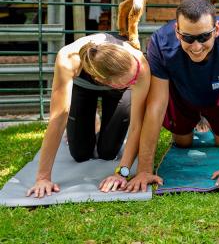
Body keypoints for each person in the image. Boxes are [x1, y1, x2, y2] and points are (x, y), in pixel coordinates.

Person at [125, 0, 219, 192]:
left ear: (216, 30)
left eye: (203, 37)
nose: (196, 46)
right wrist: (144, 170)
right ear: (177, 31)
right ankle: (194, 122)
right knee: (182, 143)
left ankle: (209, 122)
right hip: (182, 93)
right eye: (188, 38)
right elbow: (156, 107)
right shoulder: (160, 43)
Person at [26, 33, 150, 198]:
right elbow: (57, 119)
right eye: (132, 80)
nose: (137, 78)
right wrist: (43, 178)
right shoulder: (68, 58)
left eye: (134, 76)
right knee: (80, 154)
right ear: (102, 80)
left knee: (108, 152)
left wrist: (122, 173)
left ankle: (97, 123)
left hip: (118, 88)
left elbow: (136, 126)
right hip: (82, 84)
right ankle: (94, 121)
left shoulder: (139, 65)